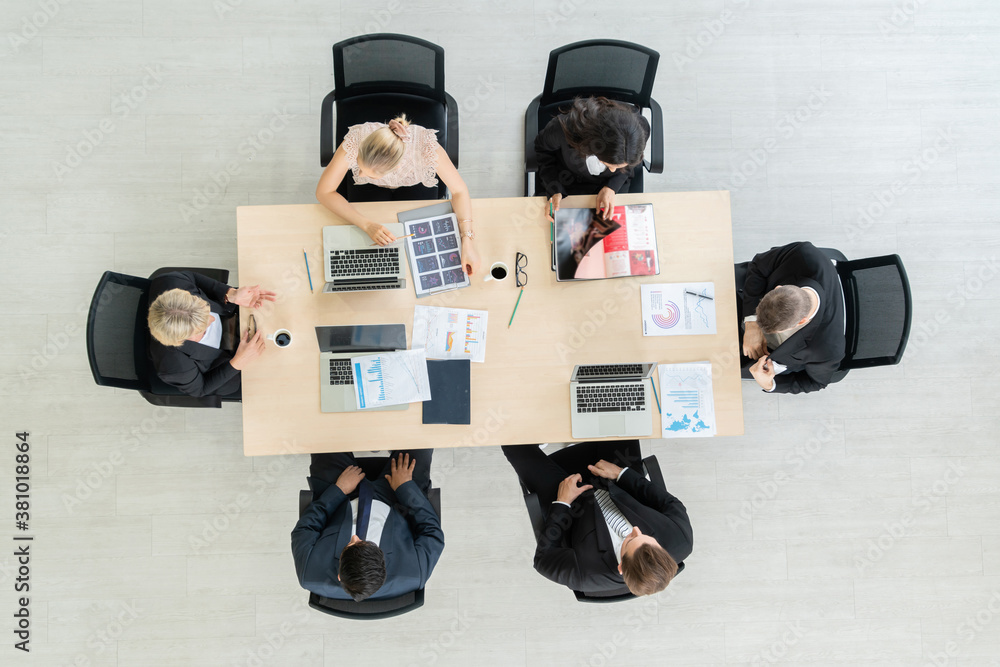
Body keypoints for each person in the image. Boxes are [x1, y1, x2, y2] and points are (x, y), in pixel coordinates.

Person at [501, 441, 692, 596]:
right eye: (647, 537)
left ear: (620, 567)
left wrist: (562, 503)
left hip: (573, 507)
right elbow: (670, 504)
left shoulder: (585, 574)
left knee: (513, 444)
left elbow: (542, 561)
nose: (635, 529)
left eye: (632, 540)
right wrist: (621, 474)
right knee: (620, 411)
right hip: (620, 485)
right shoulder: (680, 541)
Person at [315, 114, 481, 275]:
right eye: (359, 166)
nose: (361, 175)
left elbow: (460, 191)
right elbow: (323, 192)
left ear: (396, 169)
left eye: (369, 174)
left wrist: (467, 241)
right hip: (372, 189)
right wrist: (366, 225)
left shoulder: (427, 149)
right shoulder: (357, 140)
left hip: (414, 185)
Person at [291, 451, 444, 602]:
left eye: (349, 545)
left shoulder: (309, 573)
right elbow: (431, 531)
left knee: (325, 438)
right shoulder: (415, 573)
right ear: (384, 563)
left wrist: (338, 490)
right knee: (417, 442)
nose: (355, 537)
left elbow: (305, 528)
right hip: (396, 498)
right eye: (364, 542)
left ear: (339, 574)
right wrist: (406, 488)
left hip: (340, 500)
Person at [736, 241, 846, 394]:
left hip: (759, 354)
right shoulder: (804, 253)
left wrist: (769, 384)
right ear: (778, 288)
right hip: (745, 300)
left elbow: (816, 383)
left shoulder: (827, 350)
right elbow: (758, 266)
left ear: (801, 322)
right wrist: (752, 323)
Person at [147, 271, 273, 398]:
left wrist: (230, 294)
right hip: (230, 360)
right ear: (182, 340)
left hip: (235, 313)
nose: (212, 320)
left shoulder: (171, 281)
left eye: (206, 310)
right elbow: (200, 389)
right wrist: (238, 362)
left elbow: (192, 277)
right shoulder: (174, 367)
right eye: (203, 329)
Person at [535, 96, 650, 222]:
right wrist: (555, 190)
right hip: (567, 182)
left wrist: (612, 187)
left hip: (614, 183)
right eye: (608, 164)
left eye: (618, 166)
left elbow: (631, 163)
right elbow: (542, 150)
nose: (612, 170)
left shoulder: (641, 129)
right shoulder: (562, 129)